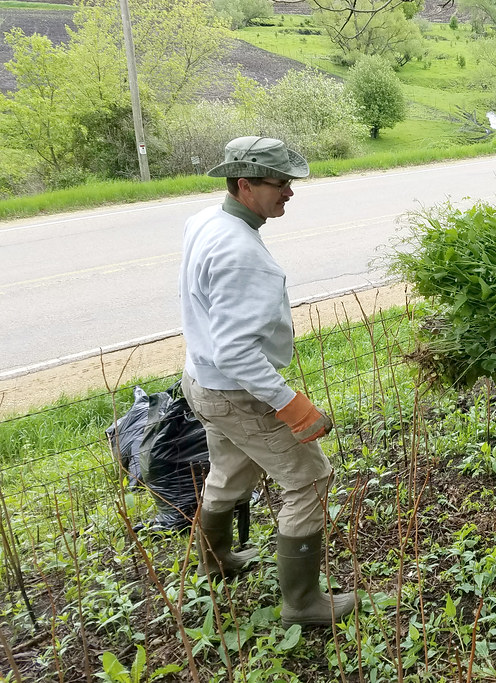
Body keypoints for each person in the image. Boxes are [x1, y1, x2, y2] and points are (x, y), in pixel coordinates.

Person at [179, 136, 354, 627]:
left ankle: (216, 562)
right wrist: (291, 405)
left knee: (231, 472)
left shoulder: (205, 222)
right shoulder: (241, 254)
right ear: (244, 185)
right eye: (281, 184)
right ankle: (302, 604)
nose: (290, 194)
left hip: (203, 381)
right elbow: (236, 350)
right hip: (236, 392)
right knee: (310, 480)